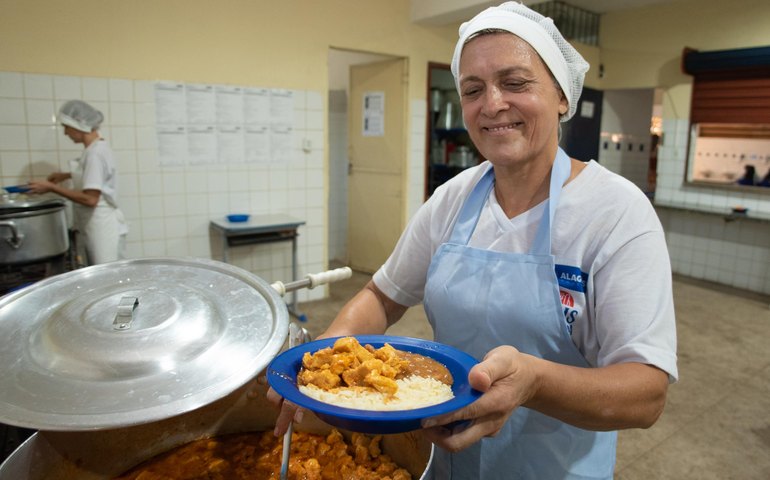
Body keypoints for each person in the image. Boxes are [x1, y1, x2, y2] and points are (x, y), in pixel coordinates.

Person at [269, 2, 678, 479]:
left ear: (562, 96)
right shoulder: (453, 199)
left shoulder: (615, 213)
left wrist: (534, 383)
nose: (493, 104)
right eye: (473, 89)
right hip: (445, 459)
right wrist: (323, 361)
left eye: (516, 82)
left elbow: (646, 394)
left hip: (552, 468)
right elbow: (381, 296)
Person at [28, 100, 128, 265]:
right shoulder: (97, 149)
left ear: (79, 125)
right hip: (98, 225)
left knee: (106, 279)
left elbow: (90, 199)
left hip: (102, 228)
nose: (66, 133)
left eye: (66, 127)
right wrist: (66, 175)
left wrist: (51, 187)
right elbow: (97, 177)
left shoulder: (94, 154)